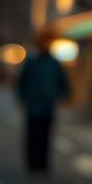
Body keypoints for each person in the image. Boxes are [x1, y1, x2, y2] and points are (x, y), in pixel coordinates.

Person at [16, 35, 69, 173]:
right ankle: (32, 164)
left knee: (45, 137)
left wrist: (62, 96)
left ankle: (43, 164)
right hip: (33, 105)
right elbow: (22, 81)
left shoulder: (54, 63)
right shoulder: (32, 62)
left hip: (48, 106)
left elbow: (62, 82)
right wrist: (22, 97)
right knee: (33, 136)